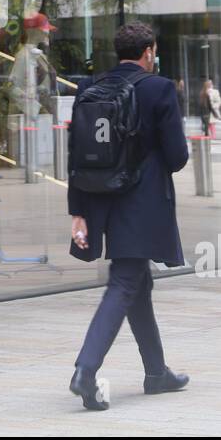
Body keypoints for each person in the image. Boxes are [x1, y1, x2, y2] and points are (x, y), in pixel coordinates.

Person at [68, 22, 190, 411]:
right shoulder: (159, 88)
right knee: (123, 282)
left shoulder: (90, 90)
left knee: (138, 283)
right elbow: (177, 157)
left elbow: (76, 157)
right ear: (149, 51)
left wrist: (78, 213)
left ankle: (157, 373)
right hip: (142, 204)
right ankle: (85, 371)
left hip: (100, 202)